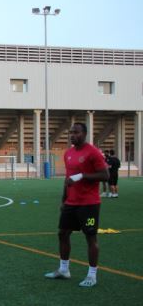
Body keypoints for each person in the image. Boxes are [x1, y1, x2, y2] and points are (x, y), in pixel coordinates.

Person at [45, 123, 109, 287]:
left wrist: (82, 175)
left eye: (76, 132)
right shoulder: (68, 153)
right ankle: (64, 269)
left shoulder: (92, 152)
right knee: (63, 233)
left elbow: (105, 175)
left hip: (89, 204)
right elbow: (68, 180)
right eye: (70, 132)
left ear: (84, 134)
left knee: (90, 237)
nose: (72, 135)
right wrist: (63, 200)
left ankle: (92, 275)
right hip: (71, 203)